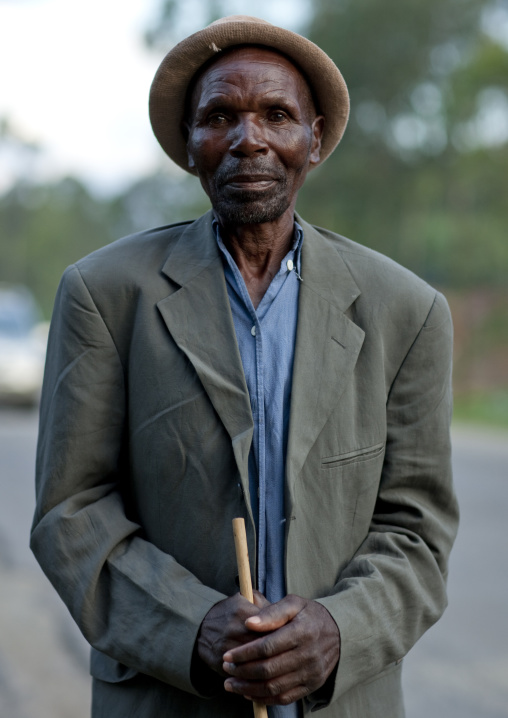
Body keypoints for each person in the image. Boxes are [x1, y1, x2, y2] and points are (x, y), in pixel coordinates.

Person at [31, 15, 459, 718]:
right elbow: (70, 512)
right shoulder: (105, 296)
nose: (249, 139)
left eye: (278, 115)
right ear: (190, 145)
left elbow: (418, 532)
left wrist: (337, 631)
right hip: (168, 699)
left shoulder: (405, 311)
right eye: (221, 117)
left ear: (314, 140)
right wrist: (193, 626)